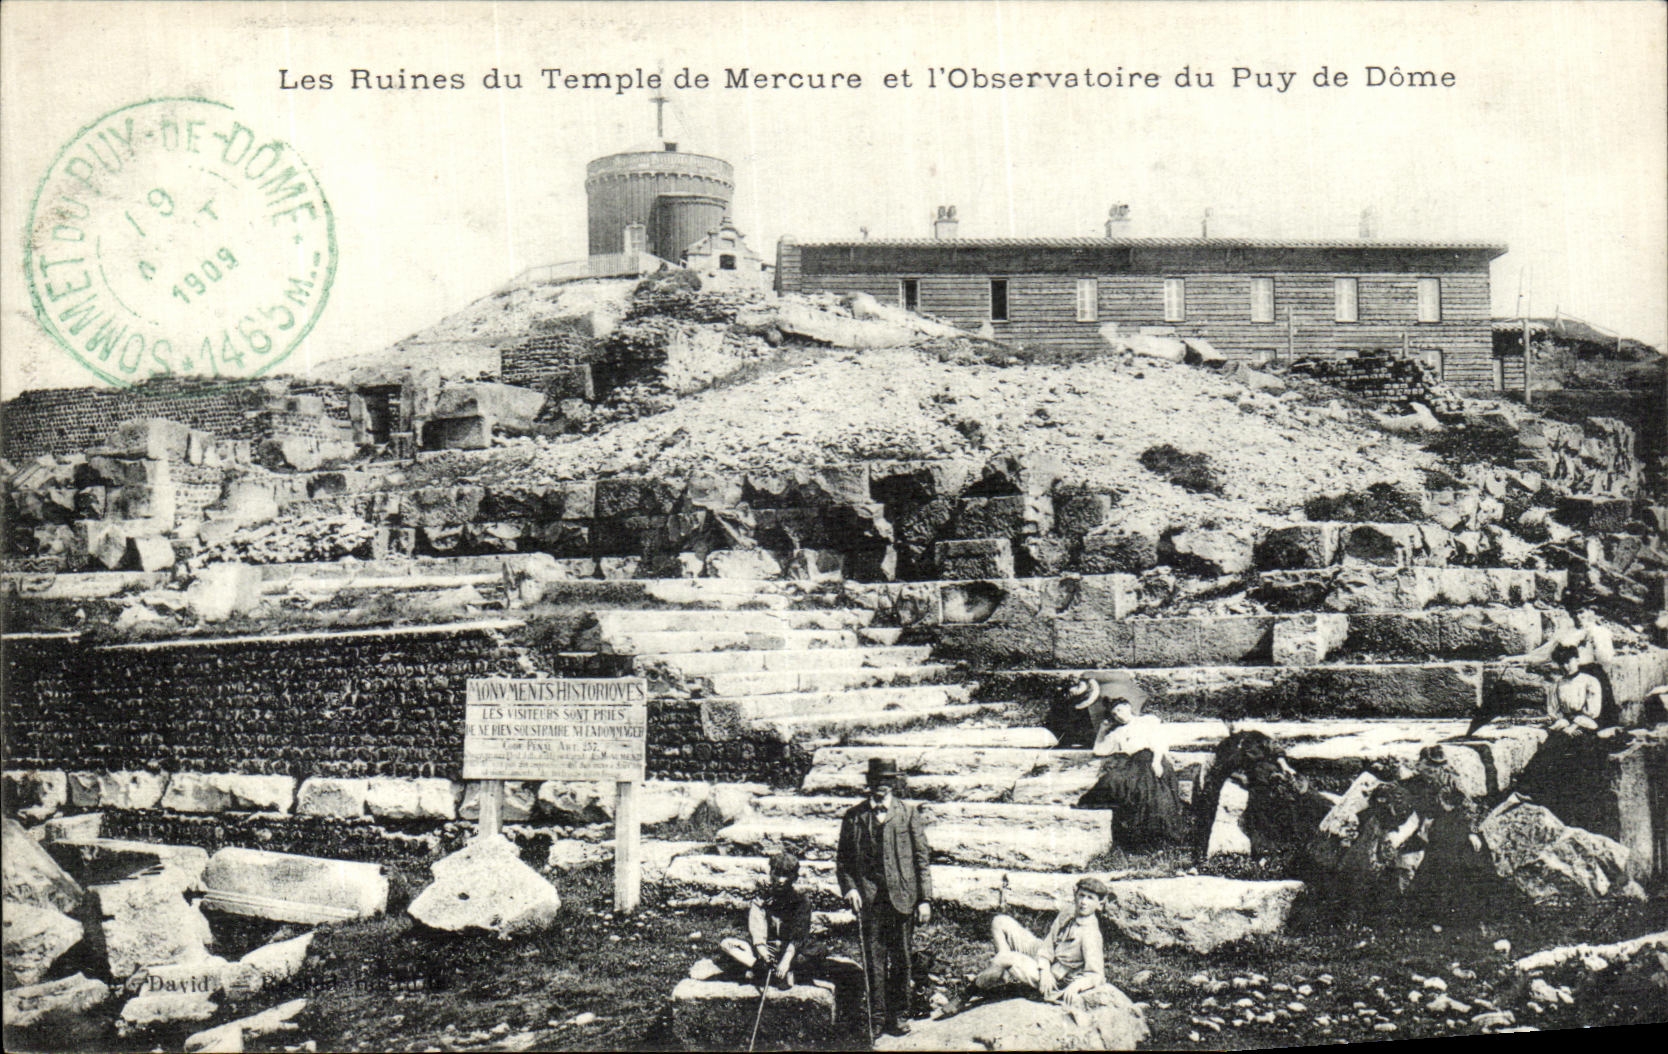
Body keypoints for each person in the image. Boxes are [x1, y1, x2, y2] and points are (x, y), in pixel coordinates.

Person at [836, 757, 932, 1038]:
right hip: (870, 901)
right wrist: (850, 889)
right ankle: (876, 1019)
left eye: (886, 780)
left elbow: (921, 859)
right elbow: (843, 862)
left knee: (901, 958)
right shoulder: (854, 817)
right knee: (874, 961)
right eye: (876, 780)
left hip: (903, 897)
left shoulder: (908, 814)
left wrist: (925, 899)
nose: (880, 785)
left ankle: (899, 1015)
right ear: (869, 783)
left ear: (893, 783)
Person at [948, 876, 1110, 1014]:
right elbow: (1048, 945)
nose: (1083, 902)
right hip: (1046, 960)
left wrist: (1074, 987)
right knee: (1000, 922)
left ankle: (966, 993)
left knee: (1007, 958)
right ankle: (1003, 975)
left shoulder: (1091, 934)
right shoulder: (1069, 912)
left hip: (1056, 978)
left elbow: (1096, 974)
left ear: (1099, 904)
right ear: (1075, 894)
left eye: (1090, 898)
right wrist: (1044, 967)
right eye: (1081, 895)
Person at [1073, 678, 1188, 847]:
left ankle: (1161, 836)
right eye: (1114, 714)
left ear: (1128, 707)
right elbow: (1099, 750)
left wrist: (1156, 762)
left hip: (1152, 758)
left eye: (1120, 710)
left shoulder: (1147, 721)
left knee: (1150, 791)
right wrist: (1103, 730)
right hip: (1133, 764)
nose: (1118, 715)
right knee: (1114, 781)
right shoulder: (1117, 732)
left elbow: (1159, 743)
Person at [716, 851, 823, 988]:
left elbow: (798, 935)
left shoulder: (802, 902)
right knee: (727, 944)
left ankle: (770, 971)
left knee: (818, 950)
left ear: (794, 877)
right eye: (777, 873)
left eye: (786, 875)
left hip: (791, 951)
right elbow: (758, 932)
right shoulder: (761, 900)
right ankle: (766, 970)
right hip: (767, 950)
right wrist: (765, 956)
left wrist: (785, 960)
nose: (780, 879)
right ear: (771, 874)